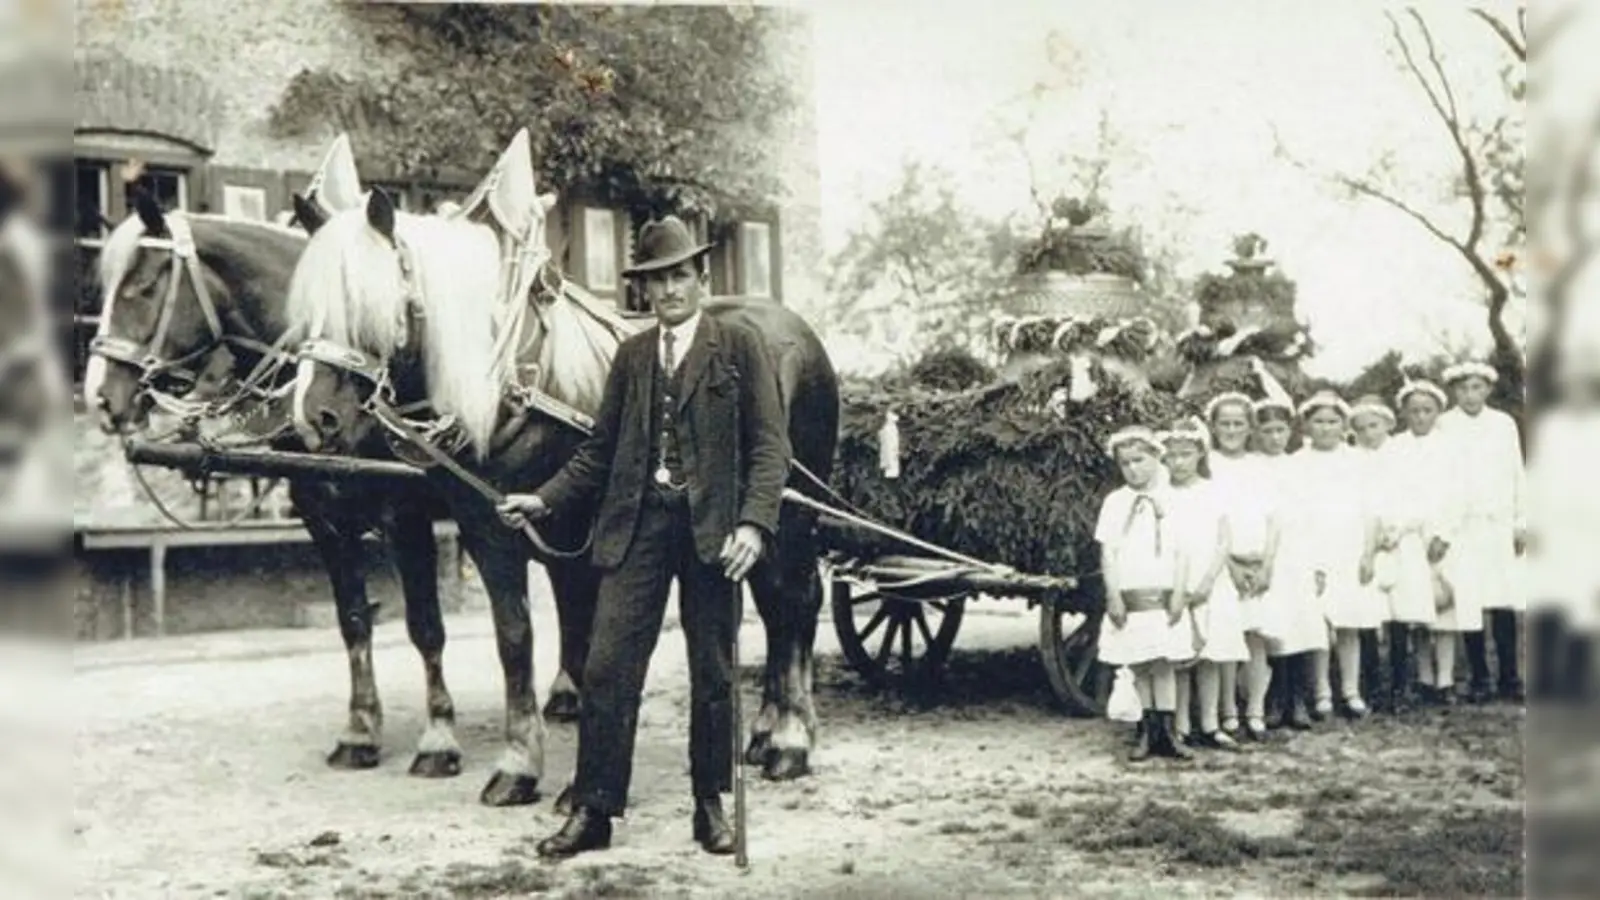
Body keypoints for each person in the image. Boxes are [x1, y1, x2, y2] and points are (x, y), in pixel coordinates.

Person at [497, 216, 793, 858]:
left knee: (712, 671)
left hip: (714, 533)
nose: (668, 291)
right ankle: (596, 811)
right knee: (605, 668)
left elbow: (771, 449)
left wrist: (754, 522)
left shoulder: (738, 348)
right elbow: (599, 453)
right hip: (637, 529)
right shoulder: (632, 357)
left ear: (700, 278)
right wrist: (543, 499)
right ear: (646, 291)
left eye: (678, 276)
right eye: (656, 281)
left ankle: (709, 805)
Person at [1095, 425, 1195, 762]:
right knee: (1138, 661)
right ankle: (1145, 732)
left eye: (1140, 460)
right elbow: (1108, 553)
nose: (1133, 468)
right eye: (1126, 463)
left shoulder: (1175, 500)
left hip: (1164, 592)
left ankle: (1167, 733)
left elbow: (1183, 551)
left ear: (1156, 458)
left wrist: (1180, 592)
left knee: (1164, 663)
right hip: (1131, 592)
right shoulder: (1114, 502)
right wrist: (1113, 595)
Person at [1437, 361, 1526, 703]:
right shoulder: (1445, 425)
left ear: (1488, 389)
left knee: (1503, 603)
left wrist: (1521, 522)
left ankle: (1510, 677)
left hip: (1497, 524)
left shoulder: (1504, 424)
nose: (1470, 395)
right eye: (1463, 388)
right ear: (1453, 391)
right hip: (1463, 527)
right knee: (1469, 601)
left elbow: (1517, 473)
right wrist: (1444, 528)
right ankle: (1478, 676)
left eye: (1476, 387)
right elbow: (1443, 480)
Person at [1284, 391, 1372, 720]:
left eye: (1332, 421)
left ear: (1343, 424)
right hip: (1311, 547)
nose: (1325, 428)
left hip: (1349, 545)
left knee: (1349, 621)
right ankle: (1321, 691)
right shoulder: (1297, 463)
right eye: (1318, 421)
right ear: (1306, 425)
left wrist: (1368, 552)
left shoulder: (1357, 460)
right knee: (1318, 620)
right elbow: (1294, 513)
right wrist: (1307, 557)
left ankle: (1350, 690)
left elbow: (1369, 510)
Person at [1164, 416, 1246, 751]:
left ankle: (1210, 723)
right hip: (1174, 580)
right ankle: (1181, 724)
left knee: (1212, 654)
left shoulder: (1214, 490)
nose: (1179, 462)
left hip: (1211, 578)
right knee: (1182, 657)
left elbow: (1224, 539)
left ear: (1199, 454)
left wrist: (1209, 580)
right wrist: (1176, 585)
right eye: (1172, 455)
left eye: (1186, 454)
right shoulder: (1162, 494)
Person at [1207, 393, 1284, 741]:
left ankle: (1255, 708)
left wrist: (1267, 563)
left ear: (1250, 428)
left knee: (1256, 638)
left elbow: (1273, 520)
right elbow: (1208, 521)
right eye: (1225, 423)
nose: (1232, 430)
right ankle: (1227, 710)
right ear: (1213, 426)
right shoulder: (1207, 465)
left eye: (1239, 423)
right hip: (1223, 562)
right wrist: (1230, 565)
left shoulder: (1261, 466)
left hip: (1258, 560)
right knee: (1225, 638)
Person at [1382, 380, 1457, 710]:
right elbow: (1391, 492)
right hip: (1409, 536)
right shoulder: (1395, 447)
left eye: (1427, 410)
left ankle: (1446, 679)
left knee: (1445, 608)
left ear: (1437, 412)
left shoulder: (1450, 447)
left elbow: (1459, 493)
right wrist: (1401, 528)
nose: (1421, 417)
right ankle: (1424, 676)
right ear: (1404, 413)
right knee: (1417, 611)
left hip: (1443, 536)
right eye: (1414, 411)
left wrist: (1444, 534)